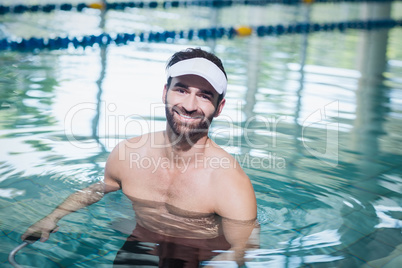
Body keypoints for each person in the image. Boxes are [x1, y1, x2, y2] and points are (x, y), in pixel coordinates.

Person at [22, 48, 258, 267]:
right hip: (138, 246)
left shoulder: (229, 182)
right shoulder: (128, 154)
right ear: (165, 92)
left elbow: (244, 245)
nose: (189, 105)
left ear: (219, 107)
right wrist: (52, 217)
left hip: (193, 257)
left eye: (204, 96)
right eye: (182, 90)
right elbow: (99, 189)